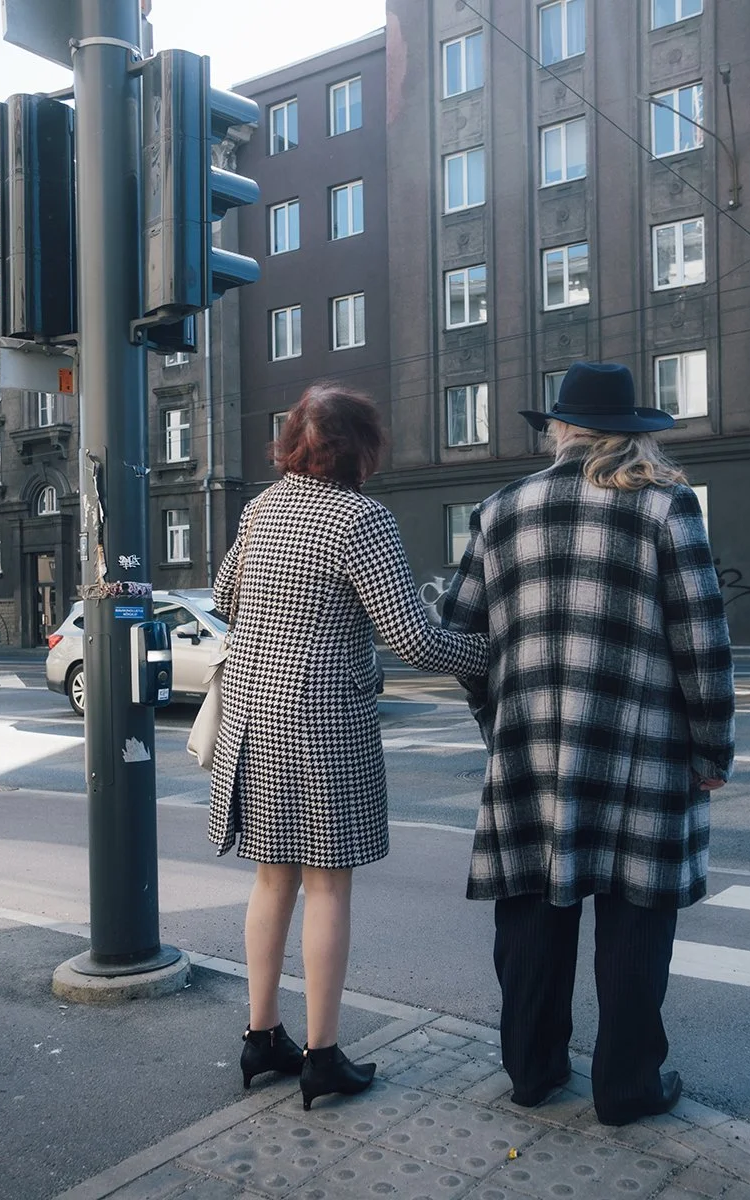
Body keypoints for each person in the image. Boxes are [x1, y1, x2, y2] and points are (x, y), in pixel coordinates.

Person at [442, 361, 734, 1128]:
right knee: (637, 921)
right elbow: (702, 643)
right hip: (645, 752)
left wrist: (501, 717)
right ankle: (626, 1087)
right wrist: (713, 753)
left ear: (561, 429)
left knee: (533, 918)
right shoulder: (667, 508)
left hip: (530, 757)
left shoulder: (499, 509)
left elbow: (461, 638)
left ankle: (534, 1074)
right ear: (632, 435)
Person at [208, 382, 488, 1112]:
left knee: (272, 880)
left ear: (294, 441)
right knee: (328, 885)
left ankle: (260, 1035)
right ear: (362, 448)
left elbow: (226, 595)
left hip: (252, 714)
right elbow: (413, 638)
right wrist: (493, 650)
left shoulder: (262, 505)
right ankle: (322, 1057)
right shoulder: (362, 520)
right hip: (324, 722)